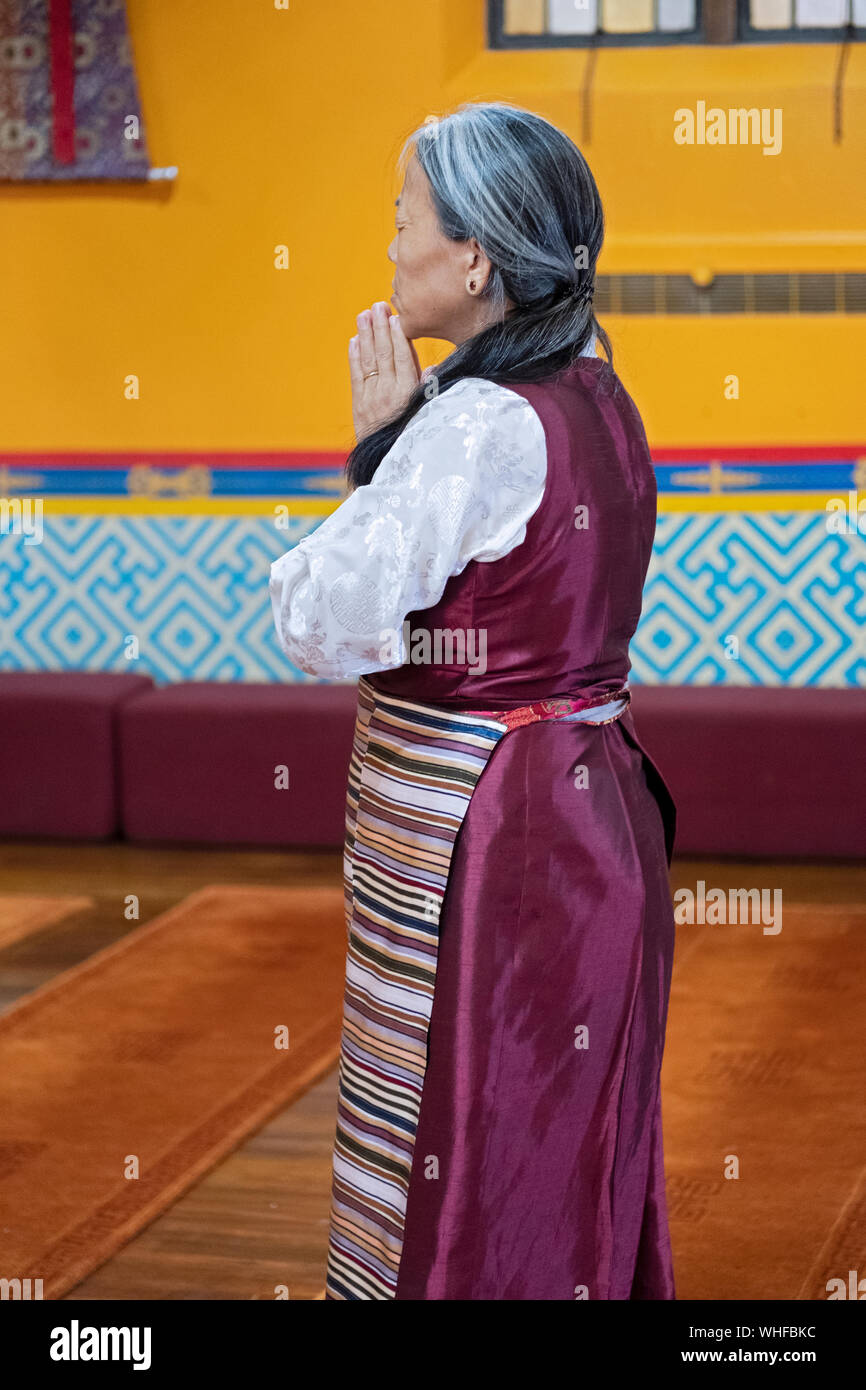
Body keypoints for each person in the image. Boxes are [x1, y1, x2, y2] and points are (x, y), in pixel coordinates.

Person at [269, 100, 677, 1301]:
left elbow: (317, 620)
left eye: (402, 219)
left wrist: (378, 451)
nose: (388, 247)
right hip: (591, 814)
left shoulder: (471, 427)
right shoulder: (598, 392)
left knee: (472, 1124)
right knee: (554, 1125)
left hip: (492, 837)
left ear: (474, 257)